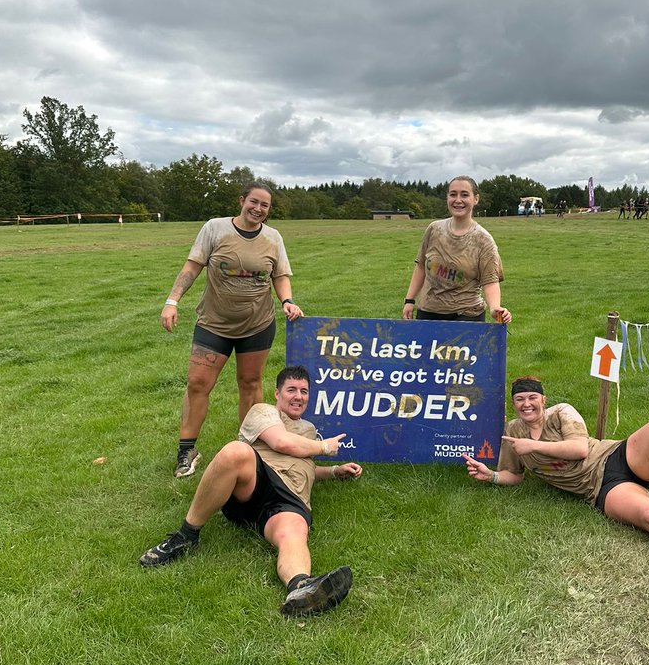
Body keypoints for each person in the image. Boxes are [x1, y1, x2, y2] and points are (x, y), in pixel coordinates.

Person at [464, 377, 649, 599]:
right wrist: (491, 476)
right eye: (519, 399)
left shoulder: (561, 413)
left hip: (616, 456)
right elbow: (514, 475)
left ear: (543, 399)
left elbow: (580, 449)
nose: (526, 404)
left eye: (532, 397)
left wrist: (534, 446)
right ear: (513, 404)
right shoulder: (513, 432)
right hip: (603, 488)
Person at [139, 366, 360, 617]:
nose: (298, 396)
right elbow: (282, 443)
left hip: (290, 500)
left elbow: (303, 467)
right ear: (277, 393)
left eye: (304, 391)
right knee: (236, 452)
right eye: (291, 390)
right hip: (256, 484)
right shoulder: (263, 411)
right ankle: (186, 535)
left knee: (293, 532)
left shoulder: (308, 429)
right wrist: (324, 446)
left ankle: (301, 589)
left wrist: (334, 471)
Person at [160, 183, 304, 478]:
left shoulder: (273, 237)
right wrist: (172, 301)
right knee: (198, 383)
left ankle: (250, 448)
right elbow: (192, 266)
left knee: (250, 383)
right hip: (214, 323)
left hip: (258, 325)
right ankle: (187, 450)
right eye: (254, 202)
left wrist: (287, 301)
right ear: (242, 201)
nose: (258, 209)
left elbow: (280, 276)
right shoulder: (215, 228)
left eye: (265, 205)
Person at [402, 176, 512, 323]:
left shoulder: (484, 240)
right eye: (453, 194)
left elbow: (490, 281)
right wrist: (409, 300)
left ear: (476, 199)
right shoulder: (434, 229)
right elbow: (421, 266)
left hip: (466, 315)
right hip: (428, 312)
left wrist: (495, 308)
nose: (458, 200)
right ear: (447, 197)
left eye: (464, 195)